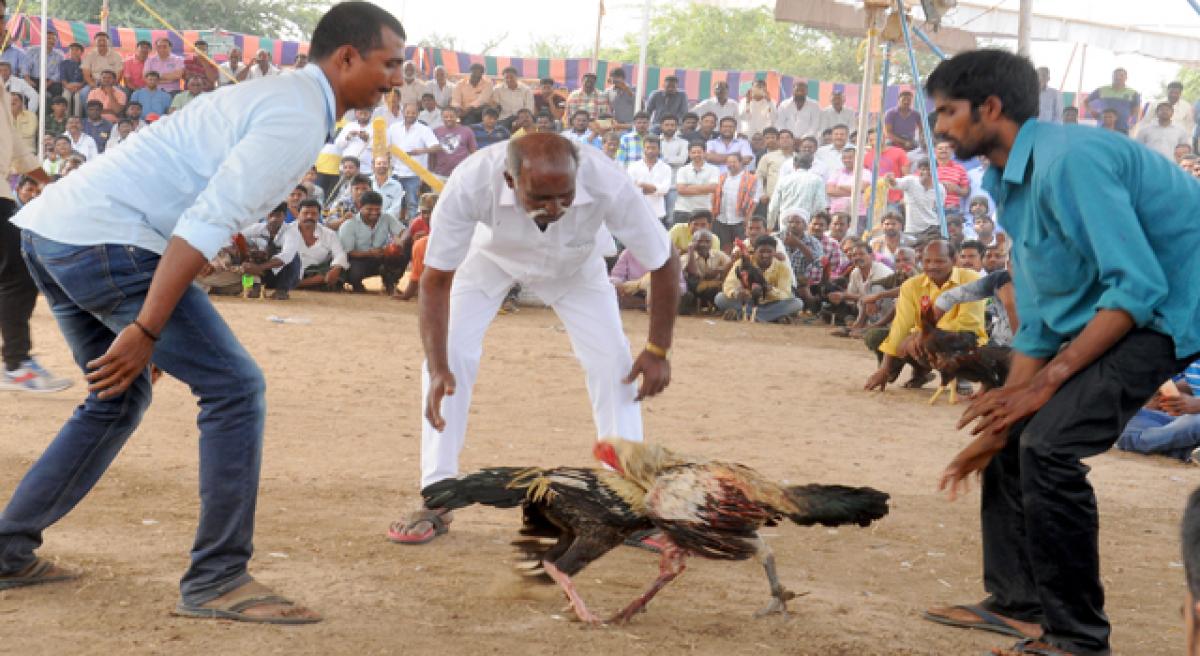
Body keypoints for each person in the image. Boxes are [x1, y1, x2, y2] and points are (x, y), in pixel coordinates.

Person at [0, 2, 406, 623]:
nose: (397, 79)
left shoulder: (285, 97)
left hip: (57, 232)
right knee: (236, 390)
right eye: (390, 64)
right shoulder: (298, 114)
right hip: (107, 239)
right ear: (347, 56)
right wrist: (146, 328)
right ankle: (218, 579)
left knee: (118, 396)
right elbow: (205, 220)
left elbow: (203, 202)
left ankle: (7, 550)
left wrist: (150, 328)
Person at [924, 49, 1200, 656]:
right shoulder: (1010, 181)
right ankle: (1019, 605)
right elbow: (1042, 323)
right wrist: (1011, 406)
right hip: (1138, 303)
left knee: (1048, 446)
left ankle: (1077, 638)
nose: (939, 127)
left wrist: (1047, 385)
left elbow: (1140, 287)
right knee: (1012, 425)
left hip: (1174, 309)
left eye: (948, 112)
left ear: (990, 108)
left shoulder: (1069, 160)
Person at [386, 133, 678, 544]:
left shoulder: (607, 180)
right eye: (540, 198)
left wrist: (657, 349)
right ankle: (438, 494)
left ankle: (625, 504)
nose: (555, 209)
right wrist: (436, 367)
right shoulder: (471, 180)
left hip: (576, 267)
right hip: (488, 261)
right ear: (510, 180)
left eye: (565, 197)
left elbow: (664, 261)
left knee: (615, 366)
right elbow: (434, 281)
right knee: (450, 361)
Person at [863, 239, 985, 386]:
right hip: (923, 340)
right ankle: (919, 371)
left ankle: (961, 376)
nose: (932, 266)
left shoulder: (972, 279)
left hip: (965, 340)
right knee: (876, 336)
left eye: (939, 261)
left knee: (942, 338)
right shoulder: (911, 285)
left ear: (954, 260)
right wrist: (884, 369)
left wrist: (919, 334)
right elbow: (901, 326)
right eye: (927, 261)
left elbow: (967, 322)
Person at [715, 234, 803, 323]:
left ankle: (748, 315)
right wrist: (737, 293)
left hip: (771, 303)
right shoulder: (741, 263)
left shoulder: (783, 268)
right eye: (761, 251)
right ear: (754, 251)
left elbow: (785, 293)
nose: (765, 255)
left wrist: (769, 290)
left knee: (797, 303)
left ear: (775, 252)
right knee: (720, 298)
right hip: (748, 301)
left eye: (769, 251)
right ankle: (769, 317)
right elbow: (729, 285)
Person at [338, 190, 405, 295]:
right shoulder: (349, 224)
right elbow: (347, 252)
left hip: (380, 256)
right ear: (360, 207)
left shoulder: (386, 217)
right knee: (354, 273)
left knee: (399, 252)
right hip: (357, 259)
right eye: (369, 209)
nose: (374, 212)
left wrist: (400, 241)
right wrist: (370, 253)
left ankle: (390, 283)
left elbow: (403, 232)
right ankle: (356, 284)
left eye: (377, 209)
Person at [238, 203, 302, 300]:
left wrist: (259, 267)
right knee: (252, 257)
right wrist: (247, 251)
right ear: (266, 215)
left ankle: (282, 291)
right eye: (271, 215)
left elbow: (287, 255)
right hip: (264, 275)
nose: (274, 219)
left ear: (284, 216)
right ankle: (253, 288)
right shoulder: (256, 228)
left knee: (294, 257)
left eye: (278, 215)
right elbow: (234, 237)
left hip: (284, 276)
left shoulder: (291, 231)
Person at [388, 103, 441, 220]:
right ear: (403, 113)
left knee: (412, 204)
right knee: (393, 204)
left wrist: (421, 151)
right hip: (395, 172)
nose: (410, 115)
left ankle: (412, 230)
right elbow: (386, 146)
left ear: (418, 114)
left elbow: (437, 147)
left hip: (414, 174)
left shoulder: (424, 129)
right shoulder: (393, 128)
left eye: (413, 113)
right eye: (408, 112)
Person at [885, 160, 945, 243]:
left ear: (936, 171)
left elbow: (938, 208)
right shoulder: (911, 181)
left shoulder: (940, 188)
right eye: (923, 169)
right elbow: (895, 184)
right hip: (912, 229)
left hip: (932, 228)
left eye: (929, 169)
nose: (926, 172)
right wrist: (891, 179)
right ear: (918, 170)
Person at [768, 153, 827, 233]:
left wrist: (769, 226)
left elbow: (773, 206)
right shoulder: (817, 180)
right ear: (810, 165)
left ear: (794, 165)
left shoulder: (783, 180)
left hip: (785, 223)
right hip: (806, 223)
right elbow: (820, 206)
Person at [710, 153, 758, 251]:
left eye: (734, 162)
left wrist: (748, 218)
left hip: (740, 220)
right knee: (723, 248)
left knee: (741, 248)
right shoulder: (721, 178)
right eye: (728, 162)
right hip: (722, 219)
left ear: (741, 163)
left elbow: (755, 200)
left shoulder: (751, 179)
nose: (731, 164)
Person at [679, 228, 730, 313]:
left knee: (718, 286)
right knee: (693, 280)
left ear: (711, 243)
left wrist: (719, 270)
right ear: (693, 242)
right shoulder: (686, 257)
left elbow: (730, 265)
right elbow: (693, 272)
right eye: (700, 241)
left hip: (711, 288)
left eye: (707, 241)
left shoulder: (718, 254)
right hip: (694, 289)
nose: (704, 244)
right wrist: (691, 251)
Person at [626, 135, 672, 227]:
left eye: (653, 148)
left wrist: (642, 185)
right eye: (648, 148)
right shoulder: (633, 166)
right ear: (643, 149)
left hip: (657, 212)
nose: (650, 150)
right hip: (637, 212)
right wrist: (654, 189)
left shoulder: (666, 168)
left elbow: (664, 190)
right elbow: (630, 188)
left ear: (659, 150)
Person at [674, 142, 720, 225]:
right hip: (683, 210)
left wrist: (688, 187)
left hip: (704, 211)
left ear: (705, 153)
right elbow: (681, 190)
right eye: (693, 152)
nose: (696, 155)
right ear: (689, 154)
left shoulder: (714, 169)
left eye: (699, 152)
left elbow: (712, 188)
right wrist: (704, 189)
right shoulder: (682, 170)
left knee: (701, 237)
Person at [1087, 67, 1140, 134]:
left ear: (1126, 78)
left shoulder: (1133, 93)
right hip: (1103, 127)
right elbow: (1085, 101)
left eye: (1121, 75)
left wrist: (1132, 123)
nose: (1118, 77)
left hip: (1122, 128)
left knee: (1120, 145)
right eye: (1116, 75)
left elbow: (1136, 111)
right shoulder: (1102, 90)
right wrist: (1091, 111)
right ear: (1112, 77)